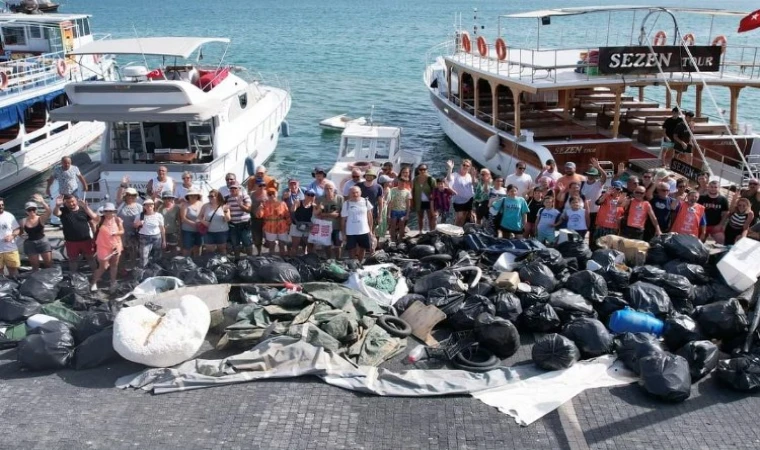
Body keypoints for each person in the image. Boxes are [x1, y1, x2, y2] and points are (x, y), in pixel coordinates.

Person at [53, 194, 98, 273]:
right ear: (65, 203)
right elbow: (56, 213)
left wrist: (94, 237)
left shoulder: (83, 210)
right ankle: (73, 276)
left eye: (72, 201)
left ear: (76, 200)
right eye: (68, 202)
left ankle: (96, 274)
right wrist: (57, 206)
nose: (71, 204)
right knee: (72, 260)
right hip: (71, 241)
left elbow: (92, 223)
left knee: (91, 258)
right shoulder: (63, 211)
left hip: (86, 240)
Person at [90, 203, 123, 292]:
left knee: (114, 265)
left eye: (110, 211)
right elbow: (92, 215)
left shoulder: (117, 219)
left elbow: (122, 231)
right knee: (103, 267)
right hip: (103, 246)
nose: (108, 213)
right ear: (103, 212)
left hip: (116, 245)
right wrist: (85, 207)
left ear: (114, 212)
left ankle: (112, 283)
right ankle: (94, 282)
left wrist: (116, 233)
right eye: (106, 211)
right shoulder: (100, 219)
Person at [20, 194, 52, 271]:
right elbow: (20, 232)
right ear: (26, 211)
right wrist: (21, 236)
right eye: (29, 210)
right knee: (35, 266)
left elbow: (49, 212)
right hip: (30, 244)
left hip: (43, 242)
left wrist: (42, 202)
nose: (32, 211)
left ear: (36, 210)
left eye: (33, 209)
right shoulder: (23, 221)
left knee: (48, 264)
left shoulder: (41, 218)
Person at [115, 178, 144, 265]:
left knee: (133, 252)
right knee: (121, 251)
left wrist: (140, 223)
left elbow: (143, 219)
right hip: (121, 233)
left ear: (135, 196)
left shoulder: (139, 207)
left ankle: (133, 268)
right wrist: (122, 185)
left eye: (133, 195)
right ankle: (122, 269)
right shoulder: (121, 204)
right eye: (128, 195)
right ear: (125, 196)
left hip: (134, 233)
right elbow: (118, 196)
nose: (130, 197)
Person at [341, 186, 373, 260]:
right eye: (353, 193)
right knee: (351, 249)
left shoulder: (366, 201)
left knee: (363, 248)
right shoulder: (346, 204)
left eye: (357, 192)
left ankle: (360, 262)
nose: (355, 194)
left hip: (364, 230)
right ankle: (353, 264)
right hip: (351, 231)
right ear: (349, 194)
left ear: (360, 193)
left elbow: (370, 217)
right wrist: (343, 233)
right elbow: (343, 219)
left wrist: (370, 230)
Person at [581, 160, 607, 248]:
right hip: (584, 212)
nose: (591, 176)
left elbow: (604, 177)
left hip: (595, 212)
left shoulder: (598, 184)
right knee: (582, 230)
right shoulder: (582, 184)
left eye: (593, 175)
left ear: (596, 176)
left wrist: (598, 167)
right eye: (589, 174)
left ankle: (592, 248)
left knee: (593, 232)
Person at [257, 187, 291, 255]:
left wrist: (289, 225)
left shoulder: (283, 203)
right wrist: (259, 208)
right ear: (267, 195)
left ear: (276, 194)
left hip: (282, 227)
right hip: (270, 227)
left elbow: (287, 215)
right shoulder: (264, 204)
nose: (272, 195)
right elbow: (259, 216)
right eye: (269, 194)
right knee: (271, 245)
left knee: (282, 244)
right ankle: (272, 259)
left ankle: (283, 258)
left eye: (273, 193)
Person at [315, 182, 343, 258]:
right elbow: (316, 213)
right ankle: (329, 259)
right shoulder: (320, 199)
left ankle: (338, 260)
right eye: (326, 188)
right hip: (325, 226)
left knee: (337, 245)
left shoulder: (340, 198)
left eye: (330, 188)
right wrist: (330, 215)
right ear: (324, 189)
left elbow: (342, 213)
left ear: (334, 189)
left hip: (336, 226)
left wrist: (342, 227)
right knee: (327, 245)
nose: (329, 190)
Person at [134, 198, 165, 267]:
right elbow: (135, 226)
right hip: (144, 238)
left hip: (157, 238)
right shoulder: (140, 216)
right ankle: (143, 272)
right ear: (144, 206)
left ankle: (156, 271)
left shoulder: (159, 216)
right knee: (143, 257)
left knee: (156, 256)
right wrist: (139, 223)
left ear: (153, 206)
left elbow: (162, 228)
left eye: (151, 205)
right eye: (147, 205)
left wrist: (164, 241)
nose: (149, 207)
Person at [200, 190, 231, 255]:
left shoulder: (224, 206)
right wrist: (204, 222)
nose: (209, 198)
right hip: (209, 232)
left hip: (221, 232)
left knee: (222, 250)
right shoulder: (205, 206)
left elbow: (227, 219)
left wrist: (225, 211)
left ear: (217, 197)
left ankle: (223, 264)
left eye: (211, 196)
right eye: (209, 196)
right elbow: (199, 217)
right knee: (209, 251)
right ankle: (212, 264)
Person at [226, 182, 253, 258]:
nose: (233, 189)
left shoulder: (245, 197)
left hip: (244, 225)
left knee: (247, 243)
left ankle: (251, 259)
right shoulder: (227, 198)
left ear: (239, 188)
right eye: (231, 188)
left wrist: (240, 204)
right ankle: (237, 259)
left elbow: (248, 210)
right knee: (235, 244)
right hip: (233, 225)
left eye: (235, 188)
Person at [446, 159, 475, 226]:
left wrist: (473, 175)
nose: (465, 166)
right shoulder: (455, 175)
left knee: (464, 215)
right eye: (464, 165)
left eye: (467, 166)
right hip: (458, 201)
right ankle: (454, 229)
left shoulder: (469, 175)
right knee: (459, 216)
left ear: (469, 167)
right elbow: (449, 178)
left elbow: (473, 184)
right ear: (461, 165)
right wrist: (450, 168)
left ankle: (460, 230)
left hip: (469, 199)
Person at [290, 188, 316, 256]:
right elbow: (292, 210)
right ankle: (292, 260)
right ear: (304, 195)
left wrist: (320, 208)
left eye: (312, 195)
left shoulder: (313, 206)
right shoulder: (299, 202)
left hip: (307, 226)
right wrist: (295, 204)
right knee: (295, 245)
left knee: (310, 246)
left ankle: (309, 259)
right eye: (308, 194)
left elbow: (316, 214)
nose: (310, 196)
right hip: (296, 225)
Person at [0, 198, 21, 277]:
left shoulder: (9, 216)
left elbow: (17, 229)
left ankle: (15, 286)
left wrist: (12, 236)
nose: (1, 206)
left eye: (2, 205)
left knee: (14, 271)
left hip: (10, 248)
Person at [412, 164, 436, 231]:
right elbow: (413, 191)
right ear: (418, 170)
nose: (423, 171)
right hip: (419, 201)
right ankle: (420, 231)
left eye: (424, 169)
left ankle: (431, 232)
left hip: (429, 202)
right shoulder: (415, 180)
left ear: (427, 170)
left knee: (430, 217)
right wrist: (412, 201)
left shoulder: (431, 180)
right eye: (421, 169)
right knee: (420, 217)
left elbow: (435, 191)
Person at [179, 189, 204, 256]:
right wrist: (194, 224)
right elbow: (183, 218)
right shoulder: (184, 205)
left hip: (199, 230)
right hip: (188, 230)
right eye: (191, 195)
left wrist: (201, 223)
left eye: (195, 195)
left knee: (198, 246)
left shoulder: (201, 204)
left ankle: (197, 262)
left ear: (197, 196)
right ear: (188, 197)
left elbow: (204, 215)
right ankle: (186, 263)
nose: (193, 196)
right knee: (187, 247)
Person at [387, 178, 411, 243]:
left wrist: (407, 215)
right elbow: (390, 203)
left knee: (402, 226)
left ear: (405, 183)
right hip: (394, 210)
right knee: (393, 226)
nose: (402, 184)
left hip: (403, 211)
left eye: (403, 183)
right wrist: (388, 214)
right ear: (398, 183)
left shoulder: (407, 192)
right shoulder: (392, 190)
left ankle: (400, 240)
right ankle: (393, 240)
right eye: (400, 183)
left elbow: (408, 205)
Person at [359, 168, 384, 233]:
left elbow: (380, 203)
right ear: (365, 176)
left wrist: (380, 216)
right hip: (360, 214)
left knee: (371, 233)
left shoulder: (379, 187)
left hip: (373, 214)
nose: (369, 176)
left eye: (371, 175)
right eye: (367, 175)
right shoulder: (358, 186)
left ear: (374, 177)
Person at [249, 180, 269, 255]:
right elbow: (248, 206)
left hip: (266, 219)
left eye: (264, 185)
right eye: (260, 185)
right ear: (255, 186)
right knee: (257, 238)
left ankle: (269, 253)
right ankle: (259, 252)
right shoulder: (251, 194)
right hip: (255, 219)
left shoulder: (268, 194)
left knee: (268, 238)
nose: (262, 187)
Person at [158, 191, 180, 256]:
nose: (167, 200)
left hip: (173, 231)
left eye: (170, 198)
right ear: (163, 199)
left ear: (172, 198)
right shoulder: (159, 207)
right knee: (162, 248)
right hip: (161, 232)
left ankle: (173, 262)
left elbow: (179, 221)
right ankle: (163, 262)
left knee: (173, 248)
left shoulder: (176, 208)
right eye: (165, 198)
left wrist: (180, 232)